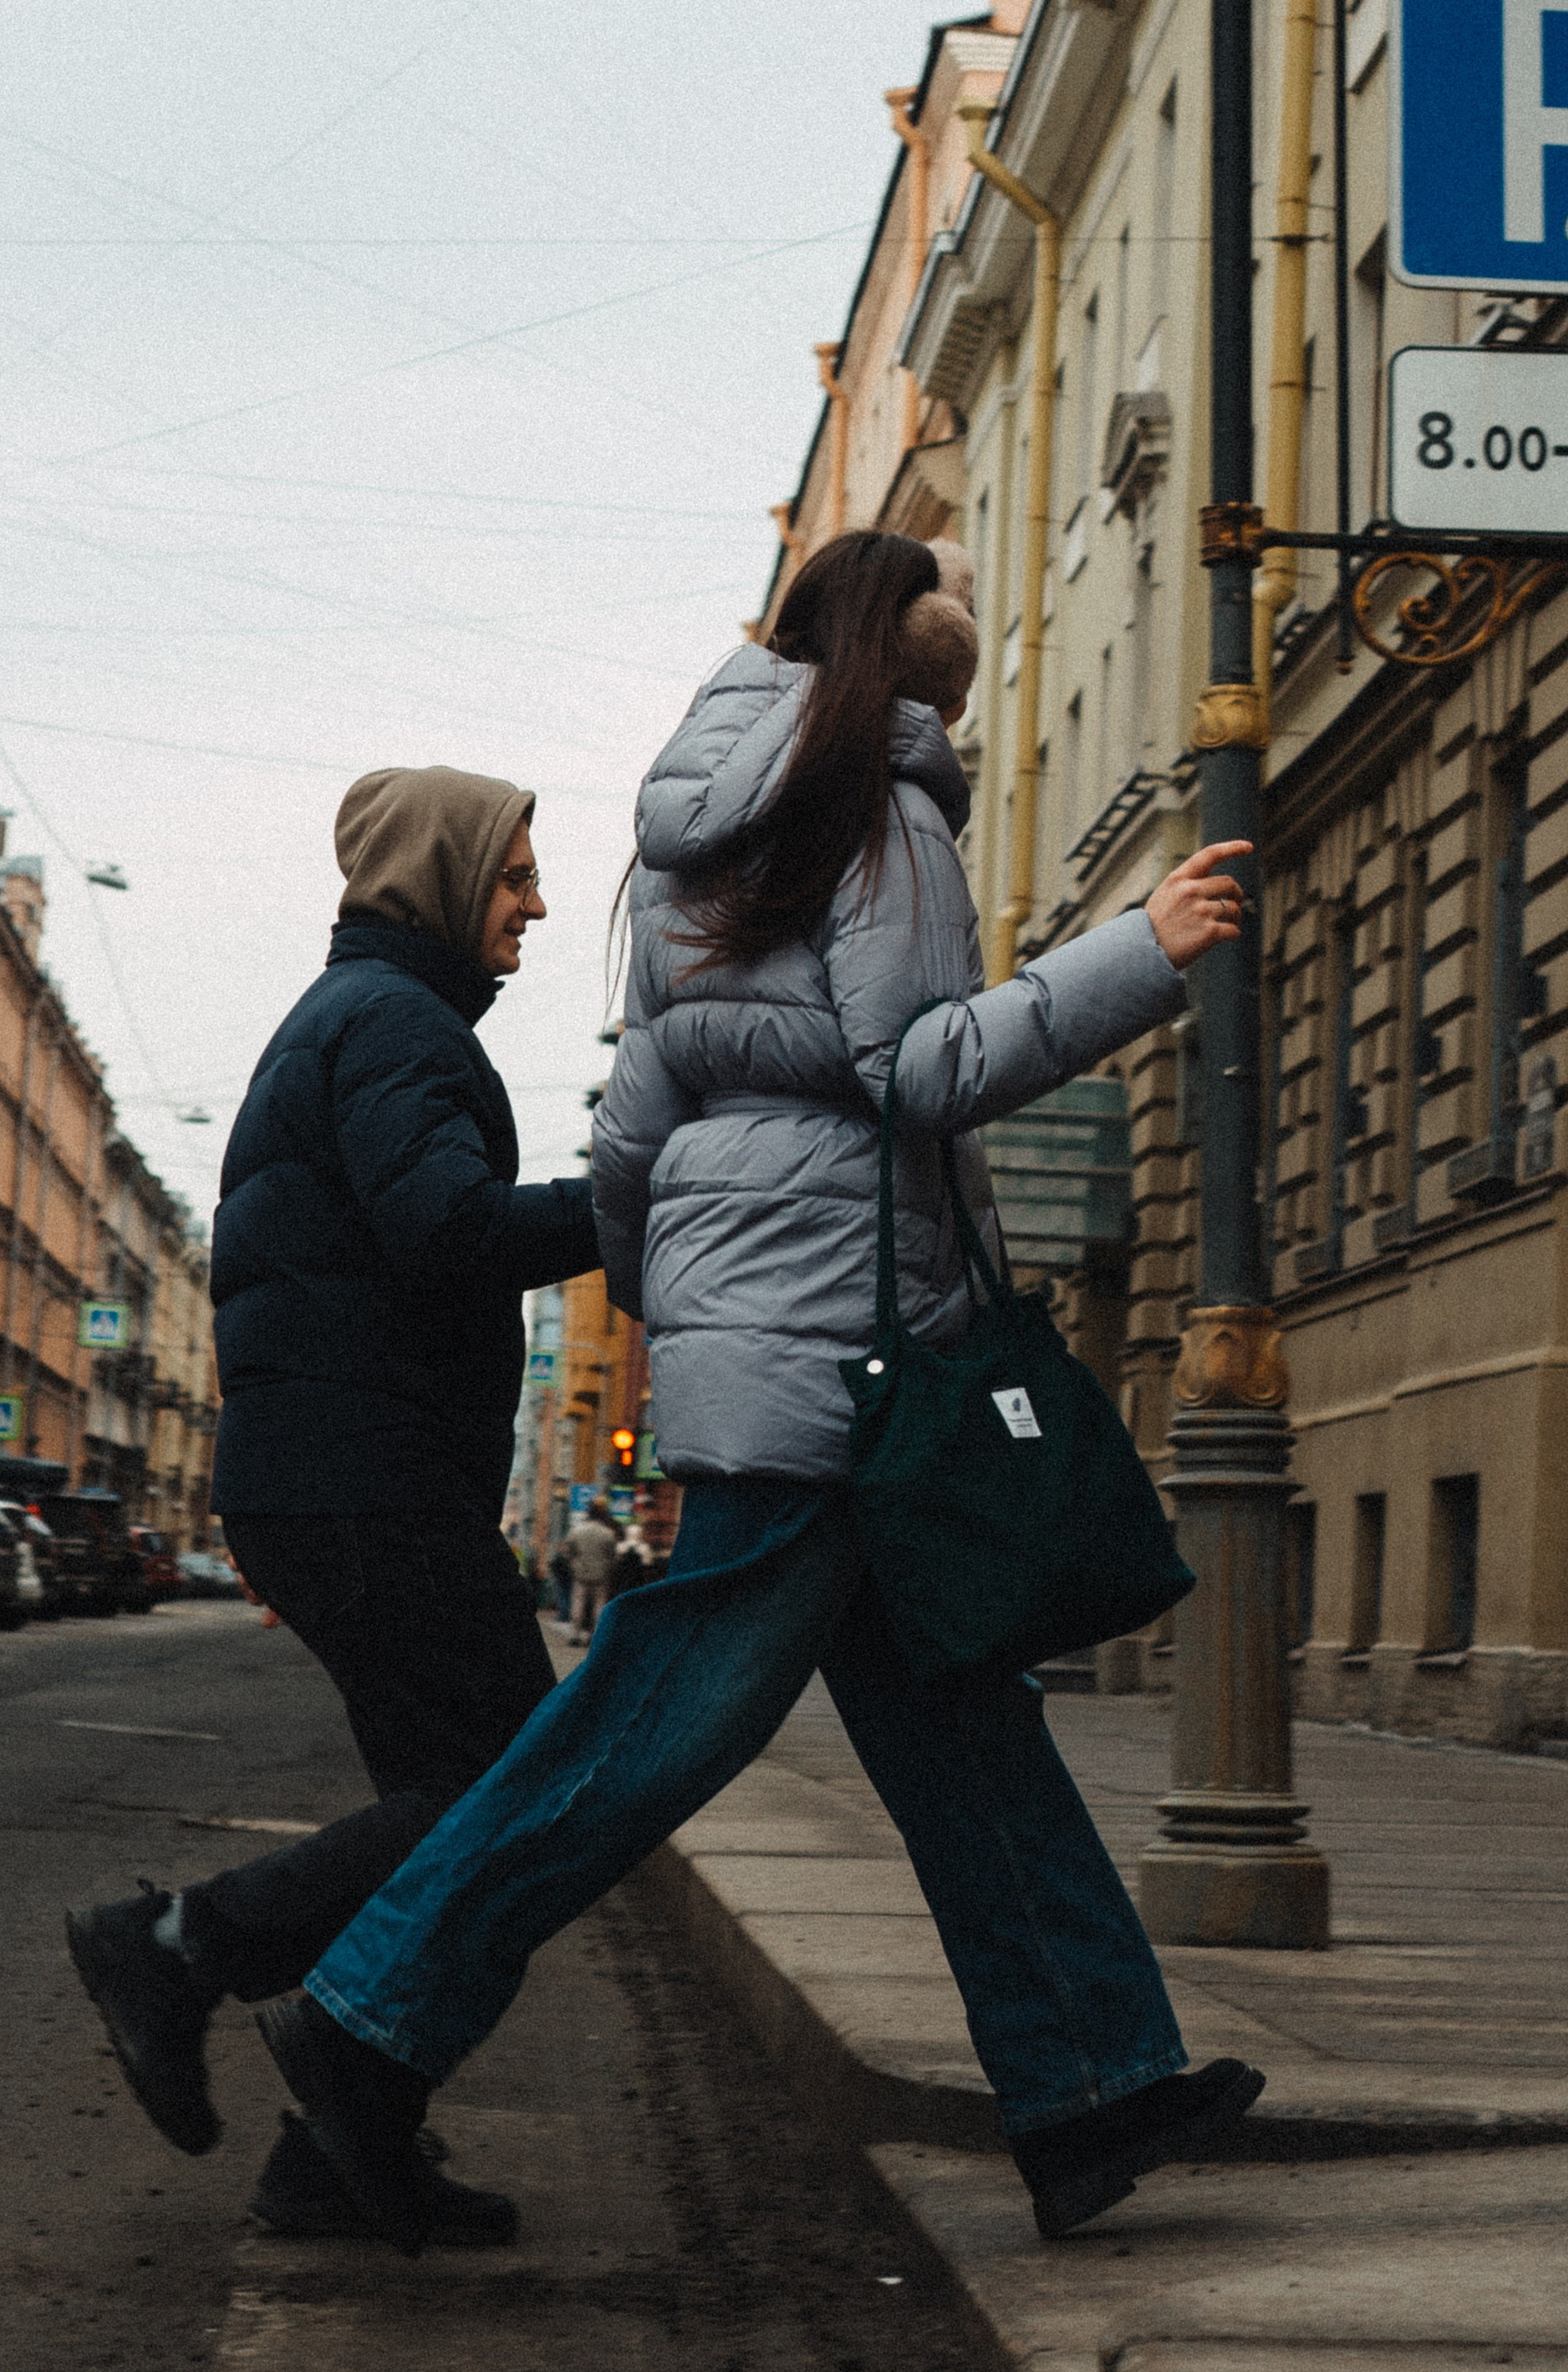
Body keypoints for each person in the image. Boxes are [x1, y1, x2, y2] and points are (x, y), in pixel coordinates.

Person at [251, 533, 1262, 2252]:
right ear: (919, 665)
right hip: (850, 1346)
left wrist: (676, 1310)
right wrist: (1136, 951)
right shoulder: (878, 809)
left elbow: (638, 1115)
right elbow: (924, 1068)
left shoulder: (691, 832)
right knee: (655, 1721)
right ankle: (360, 2025)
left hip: (766, 1321)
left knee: (961, 1722)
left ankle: (1091, 2078)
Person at [66, 764, 597, 2244]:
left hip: (342, 1482)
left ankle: (339, 2142)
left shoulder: (366, 1020)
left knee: (447, 1812)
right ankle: (176, 1947)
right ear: (440, 877)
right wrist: (633, 1197)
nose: (536, 903)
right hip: (369, 1487)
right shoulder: (397, 1030)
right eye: (512, 876)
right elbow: (446, 1231)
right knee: (512, 1795)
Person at [564, 1498, 619, 1642]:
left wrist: (573, 1564)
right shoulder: (607, 1533)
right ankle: (594, 1635)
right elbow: (613, 1554)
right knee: (599, 1605)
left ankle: (574, 1634)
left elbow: (568, 1550)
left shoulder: (577, 1530)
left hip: (580, 1572)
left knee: (578, 1603)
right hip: (601, 1573)